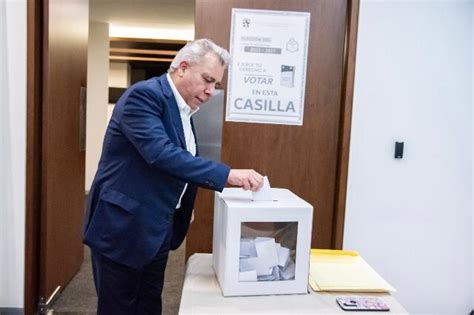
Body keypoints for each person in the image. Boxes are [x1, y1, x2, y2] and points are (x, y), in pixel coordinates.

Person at [83, 39, 264, 314]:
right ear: (182, 68)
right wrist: (228, 175)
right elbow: (162, 155)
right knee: (119, 307)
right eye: (207, 80)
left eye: (215, 84)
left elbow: (175, 165)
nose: (210, 91)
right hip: (123, 226)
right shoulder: (143, 97)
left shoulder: (184, 110)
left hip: (157, 225)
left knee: (148, 304)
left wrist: (180, 204)